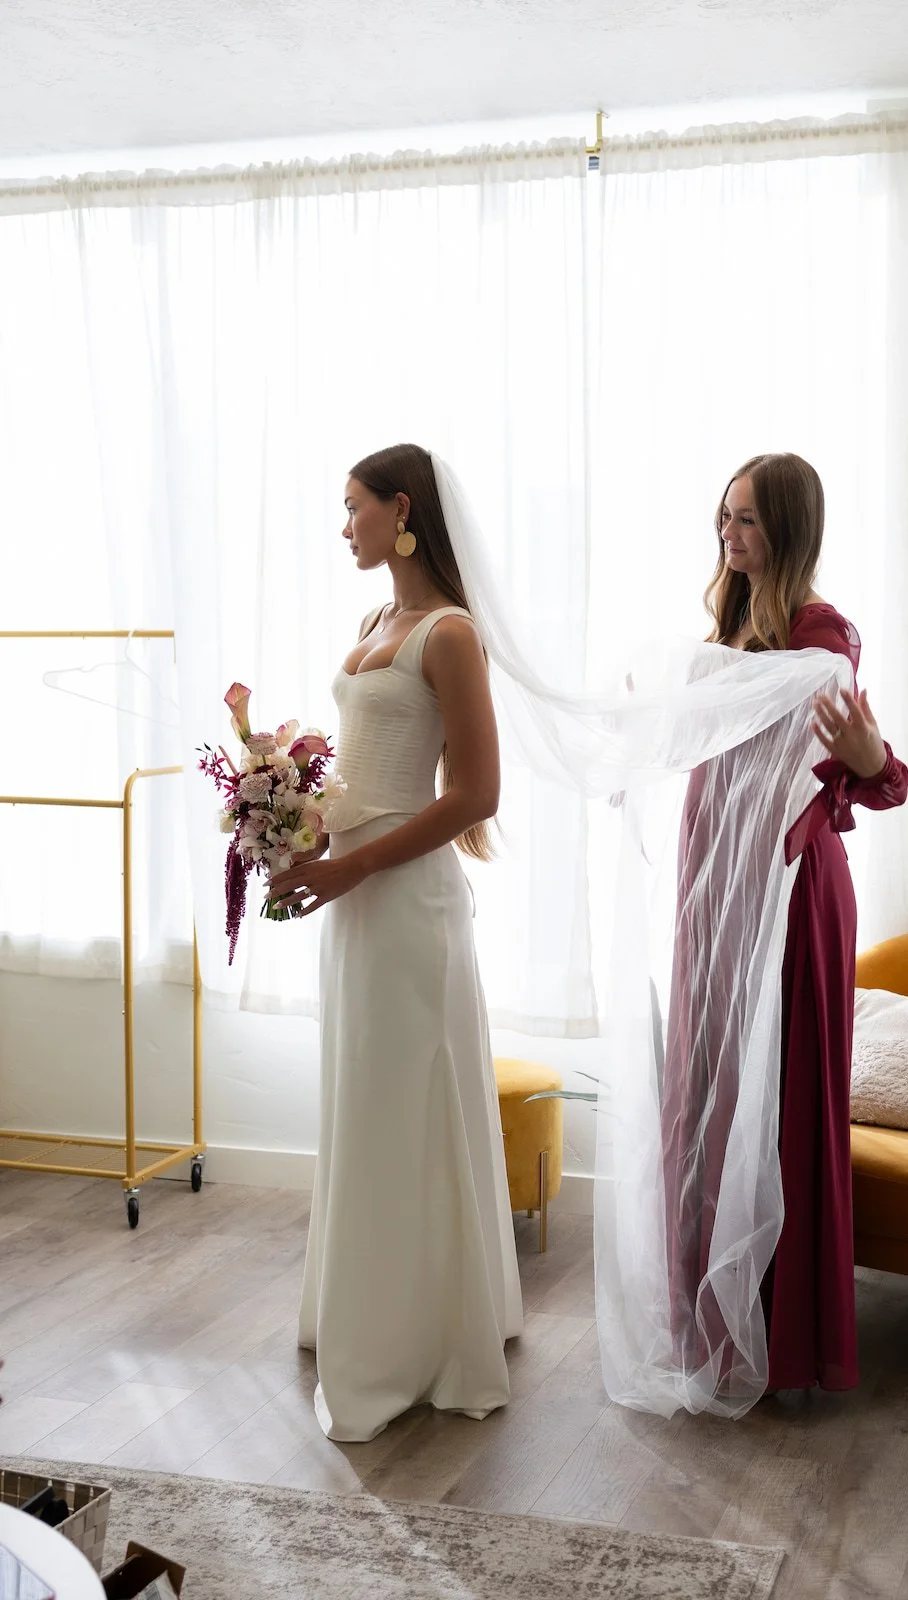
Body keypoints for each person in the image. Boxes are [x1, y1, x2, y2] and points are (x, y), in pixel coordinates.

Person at [271, 442, 522, 1443]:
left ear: (399, 509)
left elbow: (475, 794)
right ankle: (365, 1316)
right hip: (351, 892)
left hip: (404, 896)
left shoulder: (450, 633)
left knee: (403, 1102)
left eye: (351, 508)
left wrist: (353, 864)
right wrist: (293, 828)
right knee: (363, 1099)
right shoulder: (376, 618)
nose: (342, 526)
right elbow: (360, 769)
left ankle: (413, 1346)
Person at [660, 452, 908, 1396]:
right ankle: (714, 1330)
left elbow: (880, 775)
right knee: (714, 1094)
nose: (729, 535)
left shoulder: (819, 631)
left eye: (749, 521)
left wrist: (869, 754)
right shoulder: (729, 626)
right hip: (716, 884)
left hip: (791, 890)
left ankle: (786, 1341)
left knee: (782, 1105)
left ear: (790, 531)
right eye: (723, 517)